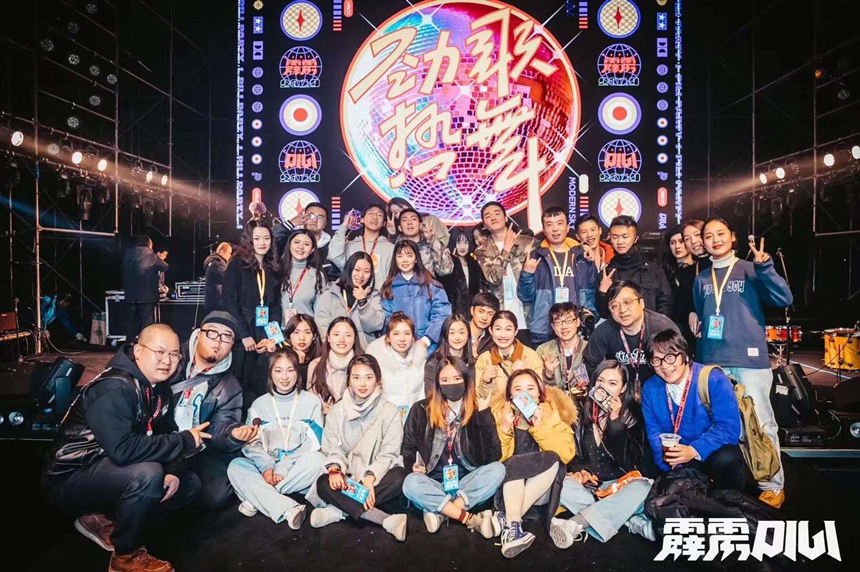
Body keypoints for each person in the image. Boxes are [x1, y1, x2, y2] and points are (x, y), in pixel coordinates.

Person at [42, 324, 210, 572]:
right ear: (138, 351)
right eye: (159, 352)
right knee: (148, 474)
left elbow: (166, 432)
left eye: (174, 354)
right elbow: (123, 450)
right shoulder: (115, 388)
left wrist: (174, 471)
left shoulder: (158, 387)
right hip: (69, 478)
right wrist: (184, 441)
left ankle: (103, 519)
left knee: (188, 485)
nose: (167, 361)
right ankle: (125, 557)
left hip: (106, 470)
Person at [693, 217, 792, 507]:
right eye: (708, 236)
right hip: (711, 362)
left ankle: (772, 485)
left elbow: (784, 298)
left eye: (720, 233)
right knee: (720, 426)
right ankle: (727, 482)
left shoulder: (751, 269)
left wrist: (765, 266)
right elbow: (702, 312)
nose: (715, 240)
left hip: (749, 361)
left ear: (733, 237)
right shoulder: (701, 279)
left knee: (760, 424)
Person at [165, 311, 260, 510]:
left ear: (232, 345)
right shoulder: (171, 359)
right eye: (212, 333)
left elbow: (220, 427)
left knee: (217, 494)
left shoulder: (229, 386)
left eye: (227, 337)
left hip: (196, 448)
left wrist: (233, 434)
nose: (218, 341)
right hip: (160, 440)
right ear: (198, 333)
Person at [309, 354, 409, 541]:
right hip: (348, 478)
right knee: (324, 482)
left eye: (368, 377)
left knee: (400, 477)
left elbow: (389, 453)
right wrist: (335, 469)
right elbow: (331, 445)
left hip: (376, 478)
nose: (362, 384)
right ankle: (385, 520)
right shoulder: (338, 410)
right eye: (356, 377)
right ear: (349, 381)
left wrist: (370, 477)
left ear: (378, 380)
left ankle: (339, 510)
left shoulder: (390, 411)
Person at [402, 356, 505, 538]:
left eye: (457, 378)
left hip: (466, 483)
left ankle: (443, 513)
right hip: (433, 483)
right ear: (437, 384)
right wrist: (413, 465)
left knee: (498, 470)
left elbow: (492, 457)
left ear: (466, 379)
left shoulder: (476, 408)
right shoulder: (420, 409)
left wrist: (484, 417)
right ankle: (468, 518)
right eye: (445, 380)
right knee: (410, 483)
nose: (451, 384)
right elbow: (408, 447)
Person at [557, 360, 656, 545]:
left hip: (622, 486)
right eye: (600, 381)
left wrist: (616, 422)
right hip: (591, 487)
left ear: (623, 388)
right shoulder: (580, 413)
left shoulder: (632, 416)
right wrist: (582, 469)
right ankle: (627, 520)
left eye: (612, 383)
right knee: (559, 483)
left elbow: (630, 463)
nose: (604, 387)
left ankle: (577, 523)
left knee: (644, 488)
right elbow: (575, 456)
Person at [227, 348, 325, 528]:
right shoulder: (259, 405)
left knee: (319, 460)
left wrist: (284, 467)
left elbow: (313, 443)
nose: (284, 377)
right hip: (267, 466)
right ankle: (288, 508)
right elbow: (252, 445)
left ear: (297, 372)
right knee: (236, 466)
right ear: (271, 373)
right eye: (278, 370)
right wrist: (266, 467)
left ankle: (257, 497)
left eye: (290, 370)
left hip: (297, 465)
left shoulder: (311, 402)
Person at [642, 330, 745, 491]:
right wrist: (671, 467)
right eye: (656, 360)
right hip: (678, 460)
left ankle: (728, 502)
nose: (664, 366)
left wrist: (694, 450)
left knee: (727, 459)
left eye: (670, 357)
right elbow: (654, 432)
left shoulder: (713, 379)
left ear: (685, 355)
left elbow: (729, 428)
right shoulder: (650, 388)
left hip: (711, 451)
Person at [489, 369, 578, 557]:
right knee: (513, 464)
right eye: (518, 389)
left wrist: (540, 427)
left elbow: (566, 455)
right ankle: (513, 527)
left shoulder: (554, 415)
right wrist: (504, 430)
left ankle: (505, 518)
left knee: (552, 460)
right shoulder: (500, 415)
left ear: (539, 393)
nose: (525, 394)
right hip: (508, 489)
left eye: (530, 388)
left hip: (542, 491)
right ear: (510, 395)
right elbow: (496, 464)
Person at [223, 219, 282, 408]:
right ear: (249, 240)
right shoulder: (236, 266)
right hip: (243, 333)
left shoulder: (273, 268)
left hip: (264, 332)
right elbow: (230, 302)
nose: (262, 242)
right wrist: (245, 335)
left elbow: (276, 307)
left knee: (263, 382)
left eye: (266, 238)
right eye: (257, 238)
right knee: (241, 383)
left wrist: (272, 338)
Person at [584, 281, 679, 397]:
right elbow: (590, 366)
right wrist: (606, 396)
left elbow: (679, 366)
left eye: (627, 303)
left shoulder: (662, 327)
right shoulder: (603, 332)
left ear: (641, 303)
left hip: (660, 392)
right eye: (615, 305)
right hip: (622, 394)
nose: (622, 310)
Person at [518, 206, 597, 345]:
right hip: (544, 329)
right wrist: (527, 274)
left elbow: (591, 291)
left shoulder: (582, 257)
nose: (555, 229)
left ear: (567, 227)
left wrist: (591, 315)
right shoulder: (536, 257)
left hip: (576, 328)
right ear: (543, 230)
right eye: (549, 224)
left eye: (560, 223)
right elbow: (525, 297)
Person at [475, 202, 536, 344]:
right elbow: (493, 278)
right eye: (488, 216)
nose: (493, 217)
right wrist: (506, 250)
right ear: (484, 225)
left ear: (506, 218)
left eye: (497, 213)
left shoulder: (528, 243)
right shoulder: (481, 251)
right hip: (499, 318)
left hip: (527, 314)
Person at [380, 239, 452, 350]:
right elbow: (386, 320)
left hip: (429, 347)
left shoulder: (431, 285)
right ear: (395, 259)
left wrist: (427, 340)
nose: (404, 260)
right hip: (398, 348)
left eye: (409, 255)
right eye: (400, 256)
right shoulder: (389, 288)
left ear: (416, 259)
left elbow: (442, 313)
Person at [597, 216, 672, 318]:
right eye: (615, 237)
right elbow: (603, 314)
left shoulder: (653, 270)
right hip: (617, 327)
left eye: (625, 237)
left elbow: (666, 303)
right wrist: (602, 293)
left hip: (651, 326)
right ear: (610, 237)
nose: (620, 242)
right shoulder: (606, 274)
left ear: (635, 238)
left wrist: (655, 324)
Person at [314, 251, 384, 347]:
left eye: (366, 271)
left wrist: (363, 302)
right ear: (349, 269)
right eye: (357, 270)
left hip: (363, 350)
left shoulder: (373, 296)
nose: (361, 275)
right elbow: (322, 326)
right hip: (335, 349)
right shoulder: (330, 293)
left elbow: (374, 326)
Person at [367, 312, 428, 420]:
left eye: (407, 333)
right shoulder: (378, 362)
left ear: (413, 338)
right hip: (385, 420)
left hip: (413, 421)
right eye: (396, 334)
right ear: (388, 338)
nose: (402, 339)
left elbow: (422, 395)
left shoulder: (421, 362)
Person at [475, 311, 543, 400]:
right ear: (491, 331)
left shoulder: (530, 356)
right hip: (495, 408)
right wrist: (485, 381)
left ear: (515, 331)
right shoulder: (484, 359)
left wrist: (524, 374)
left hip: (522, 408)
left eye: (508, 329)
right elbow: (479, 398)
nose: (503, 335)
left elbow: (540, 394)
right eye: (498, 329)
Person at [328, 204, 394, 289]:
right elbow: (334, 255)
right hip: (351, 293)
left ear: (384, 223)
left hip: (379, 295)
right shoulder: (350, 245)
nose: (375, 217)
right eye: (371, 213)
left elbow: (392, 276)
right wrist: (344, 227)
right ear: (362, 219)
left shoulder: (390, 248)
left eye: (379, 215)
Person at [307, 317, 363, 416]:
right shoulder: (315, 365)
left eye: (348, 335)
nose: (342, 340)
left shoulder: (364, 365)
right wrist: (321, 409)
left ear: (355, 339)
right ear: (328, 338)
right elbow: (311, 402)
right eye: (336, 334)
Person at [121, 235, 168, 342]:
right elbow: (165, 267)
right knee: (147, 321)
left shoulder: (127, 255)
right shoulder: (152, 256)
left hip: (130, 295)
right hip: (147, 295)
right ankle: (146, 343)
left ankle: (130, 343)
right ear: (149, 244)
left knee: (131, 320)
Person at [536, 303, 590, 394]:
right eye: (558, 322)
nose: (564, 327)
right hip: (554, 401)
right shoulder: (543, 350)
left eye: (568, 321)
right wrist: (548, 375)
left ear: (577, 322)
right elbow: (536, 388)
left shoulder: (590, 348)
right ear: (553, 326)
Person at [274, 202, 336, 280]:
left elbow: (334, 278)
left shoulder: (332, 246)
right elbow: (270, 240)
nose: (315, 220)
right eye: (311, 216)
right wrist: (291, 223)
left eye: (320, 217)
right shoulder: (290, 240)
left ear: (325, 224)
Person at [677, 219, 712, 352]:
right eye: (687, 239)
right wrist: (690, 313)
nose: (693, 241)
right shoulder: (687, 273)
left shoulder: (724, 265)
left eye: (697, 235)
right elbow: (681, 306)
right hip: (698, 342)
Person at [660, 226, 696, 348]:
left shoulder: (701, 270)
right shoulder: (662, 271)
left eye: (681, 241)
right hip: (670, 327)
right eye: (672, 243)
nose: (677, 246)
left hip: (693, 326)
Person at [280, 229, 326, 322]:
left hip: (305, 328)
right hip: (277, 330)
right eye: (297, 242)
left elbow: (321, 312)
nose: (301, 247)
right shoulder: (277, 271)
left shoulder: (317, 276)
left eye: (306, 244)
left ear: (312, 250)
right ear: (289, 246)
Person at [438, 226, 486, 316]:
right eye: (458, 242)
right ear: (453, 243)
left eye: (466, 242)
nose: (462, 247)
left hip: (472, 311)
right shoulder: (449, 262)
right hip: (452, 311)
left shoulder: (474, 263)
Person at [424, 313, 474, 396]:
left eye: (461, 332)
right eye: (452, 333)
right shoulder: (434, 363)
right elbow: (431, 395)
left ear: (468, 335)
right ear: (445, 335)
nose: (457, 337)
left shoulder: (471, 361)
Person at [396, 208, 454, 278]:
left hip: (427, 284)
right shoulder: (396, 248)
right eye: (405, 220)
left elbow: (446, 270)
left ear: (420, 225)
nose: (409, 223)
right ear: (400, 228)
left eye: (413, 219)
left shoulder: (430, 244)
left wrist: (433, 241)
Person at [281, 313, 322, 381]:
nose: (302, 338)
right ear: (289, 335)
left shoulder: (321, 358)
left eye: (307, 332)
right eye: (296, 332)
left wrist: (302, 365)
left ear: (314, 337)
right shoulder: (282, 356)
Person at [469, 292, 499, 360]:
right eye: (481, 311)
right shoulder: (459, 333)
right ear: (472, 310)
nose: (484, 318)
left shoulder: (492, 340)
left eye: (490, 314)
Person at [204, 242, 232, 312]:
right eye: (229, 253)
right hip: (218, 302)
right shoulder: (217, 264)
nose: (230, 256)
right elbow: (228, 278)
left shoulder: (214, 262)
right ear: (222, 252)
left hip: (215, 301)